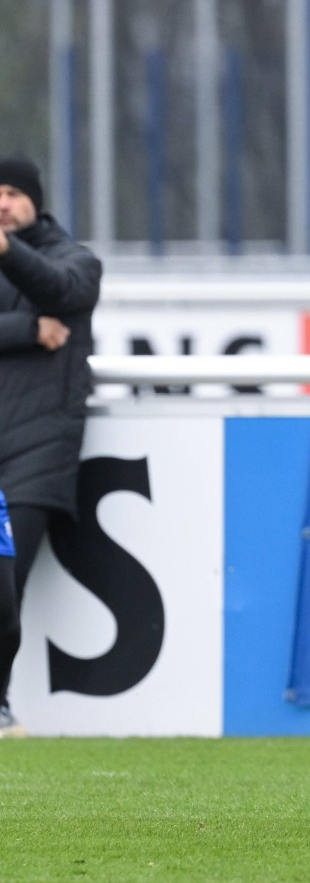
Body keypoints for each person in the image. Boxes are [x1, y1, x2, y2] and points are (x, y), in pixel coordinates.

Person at [0, 155, 102, 738]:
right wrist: (24, 331)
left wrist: (8, 251)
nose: (3, 203)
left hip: (39, 450)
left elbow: (61, 289)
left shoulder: (75, 260)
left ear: (36, 200)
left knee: (4, 582)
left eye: (13, 192)